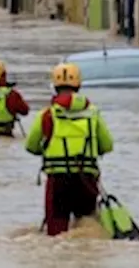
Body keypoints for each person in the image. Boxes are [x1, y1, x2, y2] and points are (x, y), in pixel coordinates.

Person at [24, 62, 114, 236]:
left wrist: (48, 150)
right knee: (87, 227)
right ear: (78, 85)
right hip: (86, 180)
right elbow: (107, 145)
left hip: (58, 181)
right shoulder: (93, 114)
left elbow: (31, 146)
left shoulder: (47, 115)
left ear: (55, 87)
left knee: (56, 233)